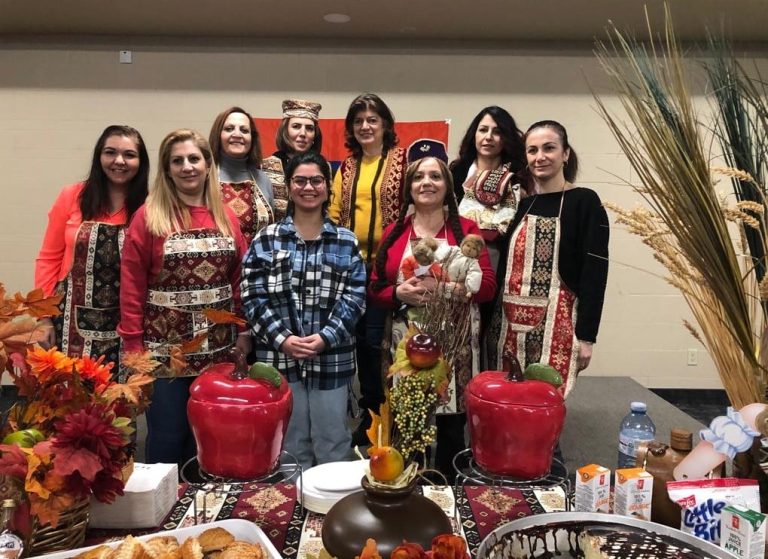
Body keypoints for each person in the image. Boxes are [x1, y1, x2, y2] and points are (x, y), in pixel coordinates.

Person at [118, 129, 250, 467]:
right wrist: (133, 345)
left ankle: (204, 499)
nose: (187, 167)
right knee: (168, 435)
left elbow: (238, 280)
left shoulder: (226, 217)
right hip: (165, 352)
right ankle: (163, 500)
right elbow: (132, 285)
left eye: (194, 159)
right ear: (167, 169)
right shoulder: (149, 217)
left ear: (208, 165)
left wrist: (244, 331)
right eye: (177, 161)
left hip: (218, 348)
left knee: (209, 436)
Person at [368, 156, 496, 480]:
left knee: (451, 429)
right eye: (419, 177)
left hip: (454, 349)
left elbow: (487, 288)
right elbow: (374, 288)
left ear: (447, 186)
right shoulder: (394, 233)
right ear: (409, 188)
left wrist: (443, 289)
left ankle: (449, 495)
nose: (426, 182)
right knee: (407, 427)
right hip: (405, 347)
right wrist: (398, 293)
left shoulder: (467, 230)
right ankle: (406, 494)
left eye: (435, 176)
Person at [241, 152, 366, 470]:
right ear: (289, 186)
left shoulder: (346, 241)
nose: (308, 187)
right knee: (289, 443)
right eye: (300, 180)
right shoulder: (266, 240)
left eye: (316, 180)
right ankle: (292, 502)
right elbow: (253, 298)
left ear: (327, 187)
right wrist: (282, 339)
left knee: (333, 440)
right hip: (279, 360)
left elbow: (355, 298)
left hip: (332, 360)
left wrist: (326, 337)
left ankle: (332, 501)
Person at [487, 120, 609, 398]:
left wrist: (587, 336)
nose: (540, 156)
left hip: (557, 330)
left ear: (565, 154)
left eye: (549, 148)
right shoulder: (522, 204)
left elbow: (595, 273)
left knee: (542, 403)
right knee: (505, 403)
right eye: (532, 150)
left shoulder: (585, 202)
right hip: (505, 328)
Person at [35, 124, 150, 372]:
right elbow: (48, 259)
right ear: (99, 156)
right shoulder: (72, 196)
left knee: (122, 393)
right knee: (72, 392)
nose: (119, 161)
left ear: (141, 162)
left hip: (128, 326)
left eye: (129, 154)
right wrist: (43, 318)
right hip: (67, 322)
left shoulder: (150, 207)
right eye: (110, 152)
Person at [329, 93, 407, 445]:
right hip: (351, 268)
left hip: (389, 269)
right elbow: (333, 214)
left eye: (372, 120)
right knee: (359, 341)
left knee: (381, 343)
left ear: (385, 124)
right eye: (358, 121)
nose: (365, 126)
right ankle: (370, 413)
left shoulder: (402, 162)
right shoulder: (346, 168)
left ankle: (390, 415)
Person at [449, 106, 526, 271]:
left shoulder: (518, 178)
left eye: (497, 132)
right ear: (474, 135)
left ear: (507, 138)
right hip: (455, 259)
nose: (488, 137)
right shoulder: (455, 174)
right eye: (483, 130)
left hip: (502, 262)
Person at [209, 106, 274, 246]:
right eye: (229, 129)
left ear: (252, 138)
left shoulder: (263, 179)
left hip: (259, 259)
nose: (237, 134)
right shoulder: (205, 178)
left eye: (244, 130)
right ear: (218, 135)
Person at [262, 99, 324, 221]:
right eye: (296, 127)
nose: (303, 133)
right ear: (285, 131)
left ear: (315, 135)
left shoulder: (324, 168)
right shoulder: (266, 166)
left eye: (309, 128)